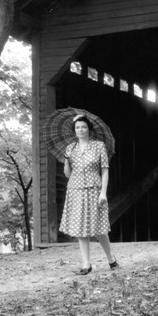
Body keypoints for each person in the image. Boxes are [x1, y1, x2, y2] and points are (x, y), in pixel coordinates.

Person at [59, 114, 117, 274]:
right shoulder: (70, 148)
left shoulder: (99, 146)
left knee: (99, 229)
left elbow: (104, 171)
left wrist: (103, 193)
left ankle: (111, 259)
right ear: (74, 130)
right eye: (77, 127)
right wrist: (66, 159)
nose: (80, 130)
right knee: (80, 228)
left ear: (89, 129)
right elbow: (68, 174)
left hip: (94, 189)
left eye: (83, 127)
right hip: (75, 190)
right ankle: (86, 264)